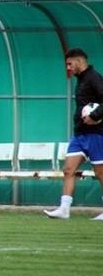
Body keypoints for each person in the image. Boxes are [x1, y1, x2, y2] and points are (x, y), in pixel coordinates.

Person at [45, 48, 103, 221]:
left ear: (79, 61)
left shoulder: (94, 78)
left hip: (95, 134)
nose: (68, 68)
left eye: (70, 64)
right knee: (68, 169)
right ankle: (64, 209)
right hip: (79, 134)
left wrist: (95, 116)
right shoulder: (81, 80)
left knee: (100, 173)